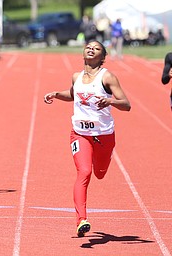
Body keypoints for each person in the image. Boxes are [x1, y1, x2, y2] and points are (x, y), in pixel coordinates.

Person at [43, 40, 131, 237]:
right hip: (80, 133)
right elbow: (74, 95)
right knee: (84, 172)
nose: (91, 49)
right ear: (83, 52)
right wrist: (57, 94)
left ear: (103, 57)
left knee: (99, 173)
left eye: (97, 48)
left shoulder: (107, 77)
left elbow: (126, 104)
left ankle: (102, 159)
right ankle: (81, 219)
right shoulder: (77, 76)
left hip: (103, 134)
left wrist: (110, 101)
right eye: (89, 47)